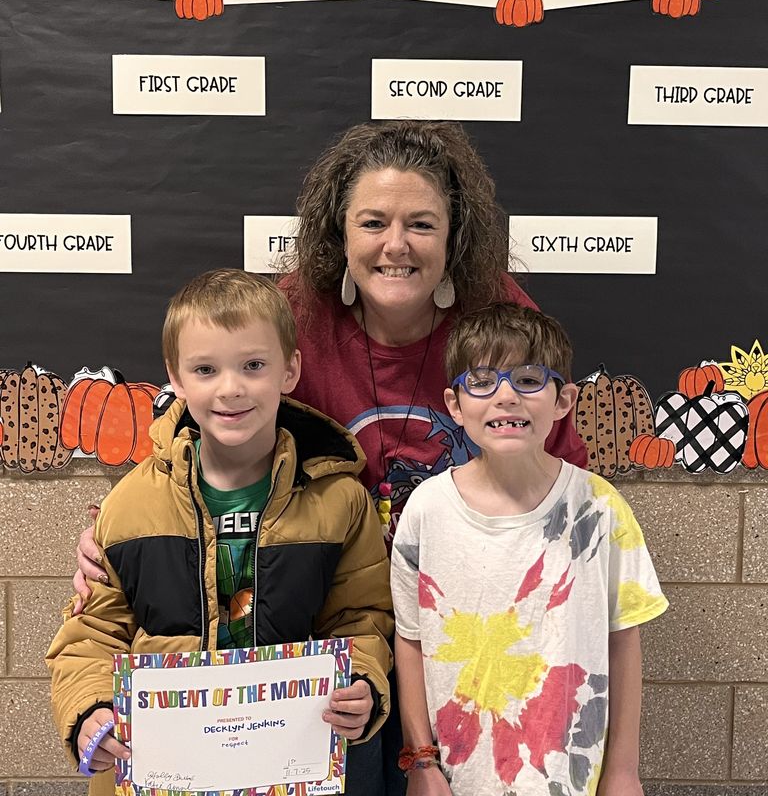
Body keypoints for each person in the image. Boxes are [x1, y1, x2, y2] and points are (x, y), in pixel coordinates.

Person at [71, 120, 588, 794]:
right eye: (373, 222)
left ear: (454, 236)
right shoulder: (293, 317)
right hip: (334, 629)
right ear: (339, 233)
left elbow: (562, 466)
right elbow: (194, 429)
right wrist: (109, 529)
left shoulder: (497, 315)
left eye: (422, 225)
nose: (395, 245)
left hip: (469, 624)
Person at [47, 269, 393, 796]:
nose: (230, 389)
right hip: (164, 771)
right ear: (177, 378)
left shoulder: (338, 500)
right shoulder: (132, 504)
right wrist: (91, 710)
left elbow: (362, 620)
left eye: (253, 365)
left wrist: (362, 683)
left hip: (289, 766)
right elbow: (89, 637)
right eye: (205, 369)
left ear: (290, 369)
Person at [390, 303, 668, 796]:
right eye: (482, 381)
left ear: (564, 400)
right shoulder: (426, 511)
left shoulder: (600, 509)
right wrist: (421, 763)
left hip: (571, 778)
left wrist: (623, 770)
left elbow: (623, 643)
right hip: (456, 779)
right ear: (454, 405)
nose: (505, 397)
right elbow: (410, 641)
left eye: (528, 379)